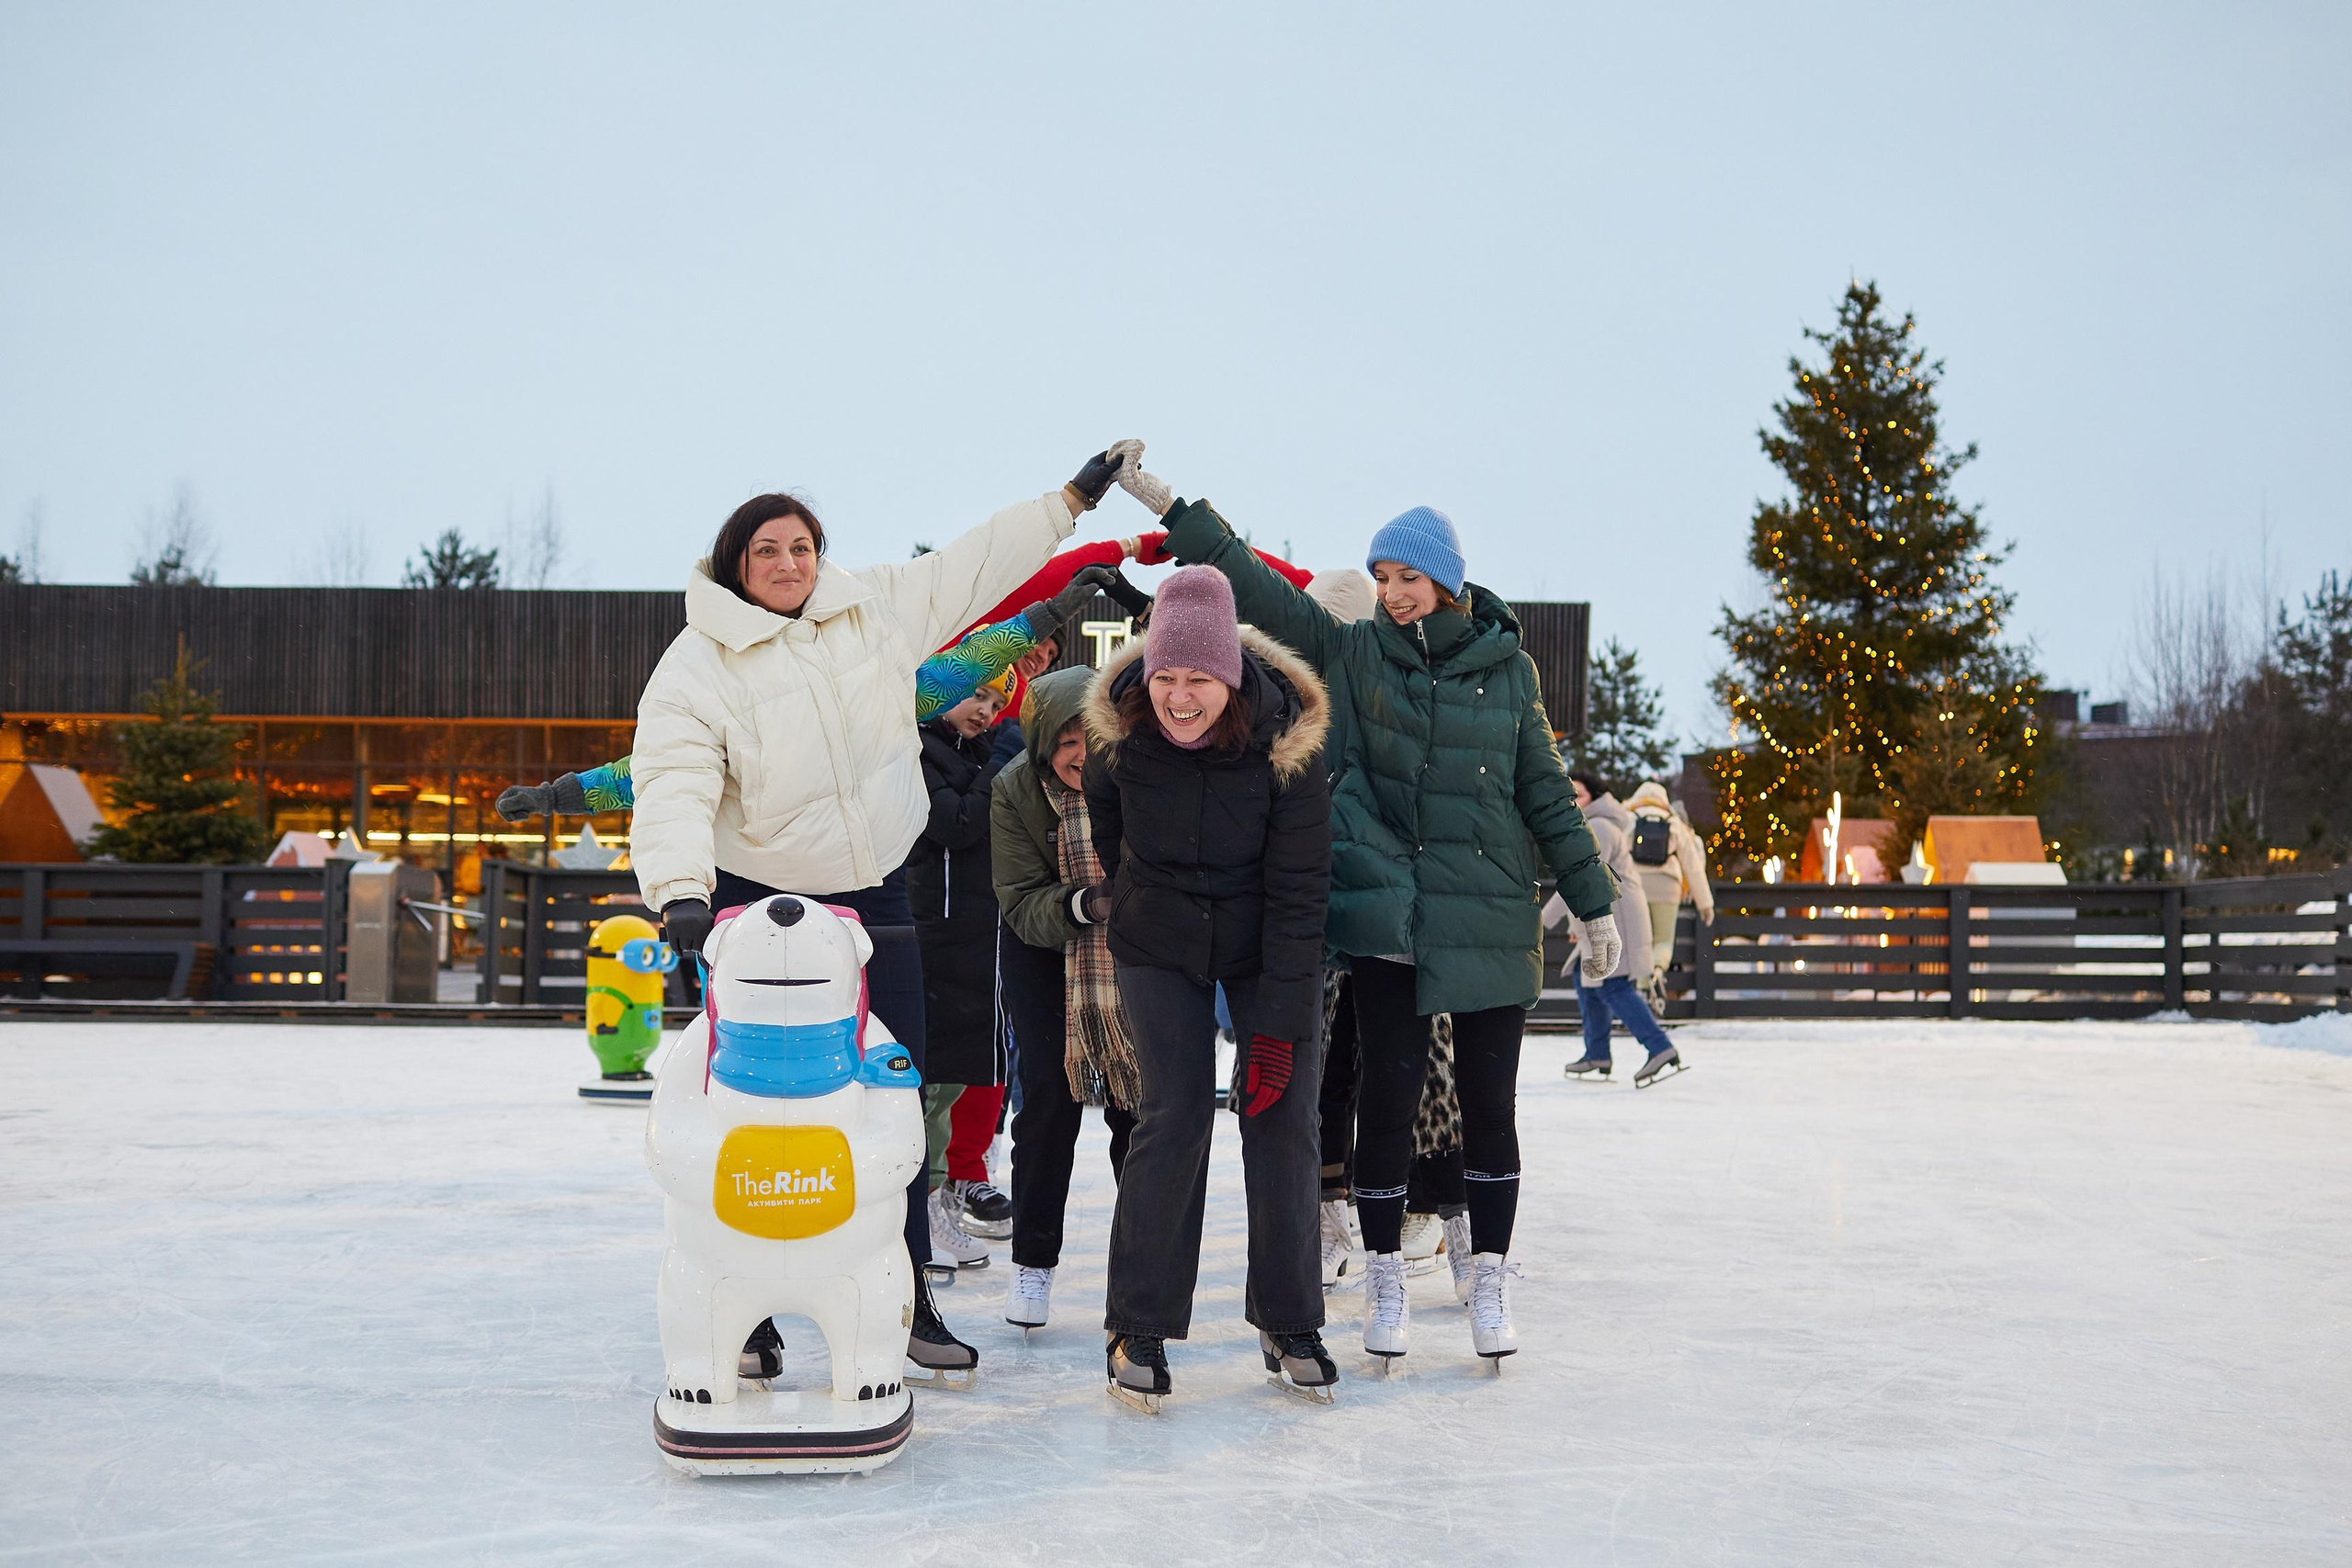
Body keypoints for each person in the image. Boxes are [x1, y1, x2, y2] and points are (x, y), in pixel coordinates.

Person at [628, 443, 1139, 1389]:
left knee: (888, 1106)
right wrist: (683, 893)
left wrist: (1069, 501)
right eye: (767, 551)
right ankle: (746, 1308)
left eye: (802, 547)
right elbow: (672, 780)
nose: (788, 565)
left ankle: (902, 1300)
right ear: (735, 564)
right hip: (756, 911)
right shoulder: (698, 663)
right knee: (755, 1107)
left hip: (874, 896)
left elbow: (971, 564)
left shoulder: (869, 614)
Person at [1127, 457, 1620, 1368]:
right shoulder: (1355, 655)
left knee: (1485, 1106)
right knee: (1384, 1100)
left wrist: (1593, 903)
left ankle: (1490, 1280)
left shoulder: (1508, 674)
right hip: (1389, 914)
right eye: (1384, 579)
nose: (1394, 595)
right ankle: (1385, 1279)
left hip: (1481, 912)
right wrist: (1171, 507)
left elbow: (1545, 792)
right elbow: (1258, 589)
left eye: (1409, 579)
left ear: (1447, 579)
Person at [1081, 566, 1337, 1408]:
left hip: (1266, 942)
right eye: (1165, 676)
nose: (1180, 697)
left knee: (1282, 1108)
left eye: (1199, 679)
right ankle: (1139, 1322)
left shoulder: (1285, 748)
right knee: (1177, 1109)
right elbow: (1113, 844)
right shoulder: (1116, 741)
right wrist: (1141, 903)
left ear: (1231, 677)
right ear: (1144, 671)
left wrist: (1277, 1029)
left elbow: (1301, 896)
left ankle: (1290, 1315)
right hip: (1158, 938)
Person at [989, 663, 1140, 1330]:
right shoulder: (1014, 791)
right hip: (1044, 947)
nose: (1081, 755)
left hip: (1132, 953)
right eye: (1066, 741)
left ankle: (1141, 1262)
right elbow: (1019, 900)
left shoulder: (1140, 775)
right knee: (1048, 1106)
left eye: (1092, 738)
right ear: (1044, 741)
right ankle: (1033, 1264)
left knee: (1136, 1107)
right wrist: (1085, 903)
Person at [1554, 772, 1681, 1086]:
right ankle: (1597, 1053)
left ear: (1595, 797)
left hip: (1619, 918)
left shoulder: (1599, 827)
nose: (1574, 801)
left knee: (1613, 986)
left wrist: (1540, 918)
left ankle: (1660, 1047)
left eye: (1579, 795)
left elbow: (1583, 879)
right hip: (1612, 914)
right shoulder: (1593, 825)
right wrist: (1578, 925)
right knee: (1587, 981)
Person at [1623, 779, 1715, 984]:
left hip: (1635, 886)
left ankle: (1642, 984)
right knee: (1663, 940)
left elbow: (1613, 855)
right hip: (1667, 887)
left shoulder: (1628, 818)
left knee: (1639, 941)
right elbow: (1692, 866)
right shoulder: (1675, 823)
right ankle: (1656, 972)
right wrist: (1705, 904)